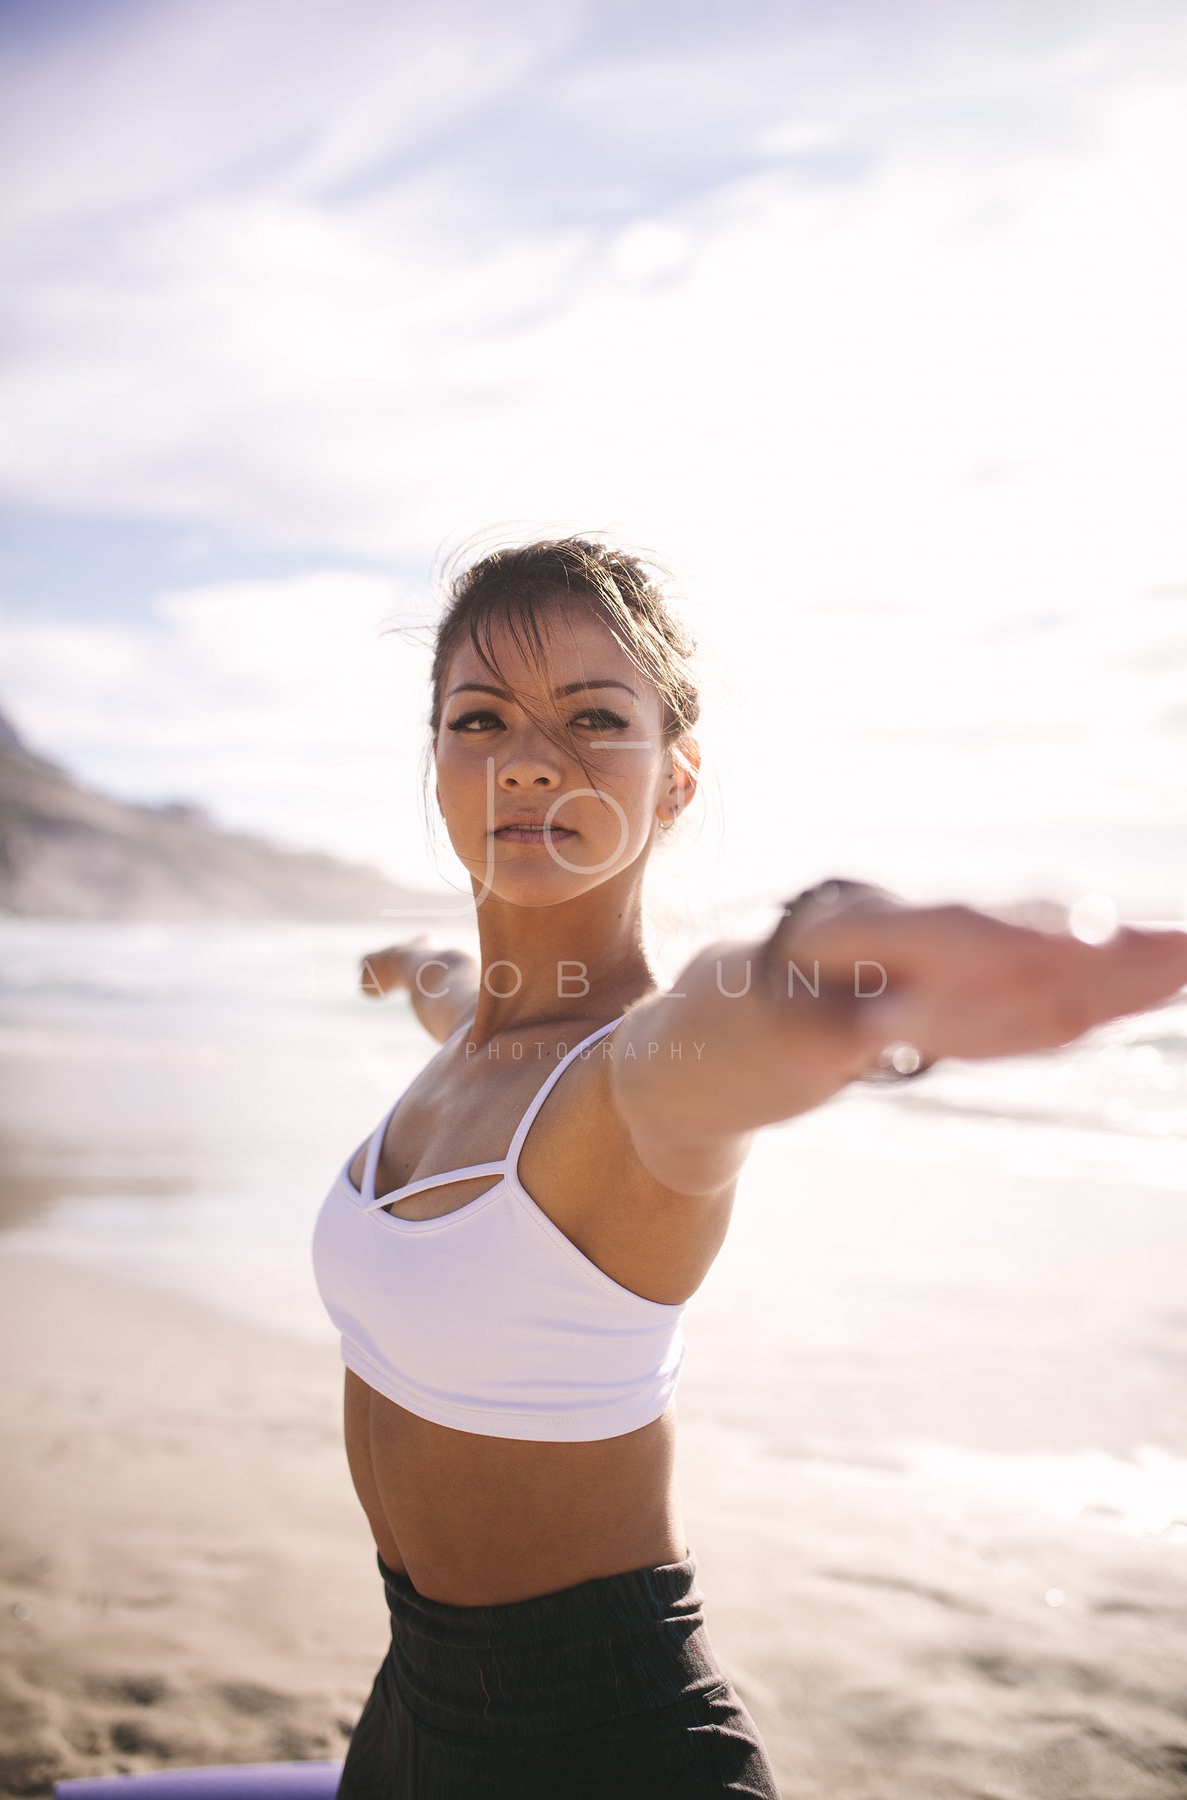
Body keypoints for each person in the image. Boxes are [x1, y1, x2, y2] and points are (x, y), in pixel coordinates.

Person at [312, 537, 1187, 1798]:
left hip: (598, 1744)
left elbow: (745, 1010)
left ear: (674, 784)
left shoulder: (631, 1080)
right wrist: (396, 969)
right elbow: (453, 988)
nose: (529, 758)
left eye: (596, 719)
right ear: (439, 762)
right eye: (480, 719)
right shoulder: (484, 1032)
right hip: (404, 1708)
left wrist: (841, 956)